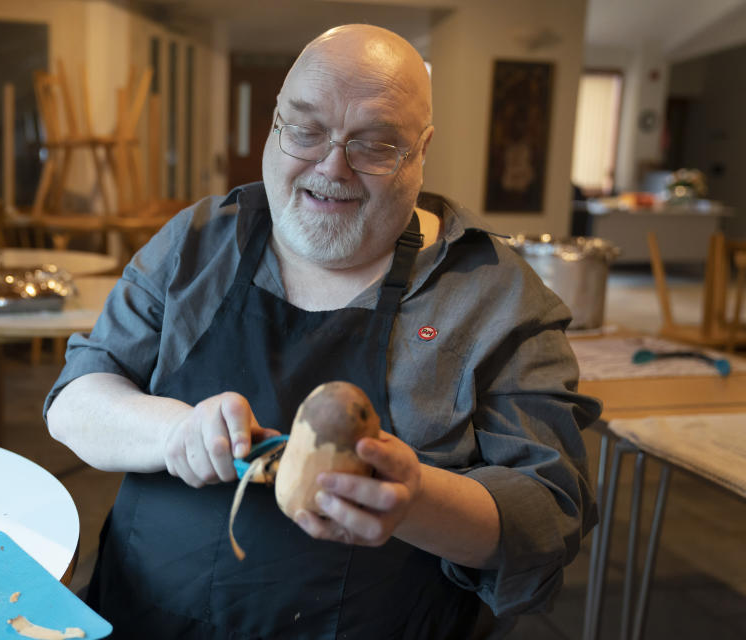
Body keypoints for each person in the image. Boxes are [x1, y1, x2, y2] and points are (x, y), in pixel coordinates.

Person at [46, 24, 601, 639]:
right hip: (142, 618)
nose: (331, 166)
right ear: (274, 125)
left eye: (376, 144)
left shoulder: (494, 297)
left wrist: (414, 499)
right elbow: (75, 401)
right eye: (305, 130)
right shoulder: (198, 242)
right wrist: (177, 430)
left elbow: (549, 511)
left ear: (422, 148)